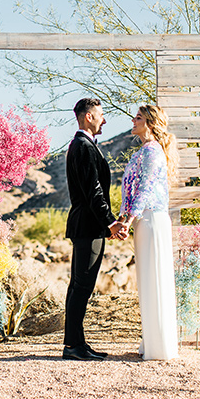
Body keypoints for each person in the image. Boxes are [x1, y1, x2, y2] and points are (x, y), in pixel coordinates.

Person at [63, 97, 128, 361]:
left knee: (78, 286)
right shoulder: (83, 146)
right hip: (88, 227)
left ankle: (76, 343)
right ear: (88, 117)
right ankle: (73, 347)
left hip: (86, 226)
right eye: (101, 114)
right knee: (82, 286)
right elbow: (94, 191)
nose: (104, 119)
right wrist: (110, 223)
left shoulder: (83, 145)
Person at [116, 105, 179, 360]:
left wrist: (128, 220)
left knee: (155, 279)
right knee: (147, 281)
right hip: (143, 220)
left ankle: (160, 347)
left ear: (151, 123)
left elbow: (144, 190)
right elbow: (129, 190)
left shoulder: (152, 152)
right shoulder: (143, 151)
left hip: (151, 219)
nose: (133, 120)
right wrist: (123, 216)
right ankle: (151, 341)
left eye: (139, 117)